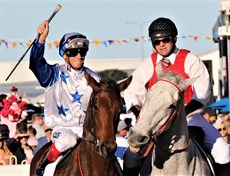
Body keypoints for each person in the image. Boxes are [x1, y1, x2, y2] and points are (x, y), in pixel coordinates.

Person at [123, 17, 230, 175]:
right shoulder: (148, 64)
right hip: (155, 123)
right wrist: (144, 118)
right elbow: (132, 92)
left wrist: (179, 114)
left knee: (223, 152)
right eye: (156, 41)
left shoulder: (190, 60)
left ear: (174, 38)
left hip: (190, 119)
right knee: (130, 158)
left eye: (165, 39)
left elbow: (203, 93)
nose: (161, 44)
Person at [29, 20, 101, 176]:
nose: (79, 56)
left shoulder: (95, 78)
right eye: (74, 52)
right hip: (62, 130)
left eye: (83, 52)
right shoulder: (54, 73)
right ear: (65, 55)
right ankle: (43, 166)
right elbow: (36, 64)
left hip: (88, 131)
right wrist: (41, 40)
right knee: (68, 140)